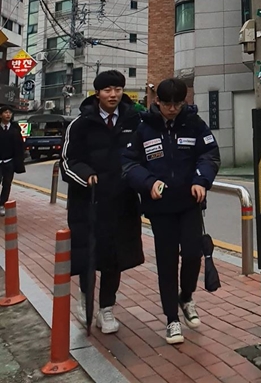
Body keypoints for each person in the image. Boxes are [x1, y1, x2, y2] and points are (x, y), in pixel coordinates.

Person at [122, 78, 220, 345]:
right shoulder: (144, 128)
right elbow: (129, 163)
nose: (173, 109)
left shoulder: (195, 124)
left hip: (189, 203)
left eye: (178, 104)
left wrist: (201, 180)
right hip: (160, 208)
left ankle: (186, 297)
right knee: (167, 261)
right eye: (168, 104)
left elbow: (209, 155)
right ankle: (171, 319)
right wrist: (149, 182)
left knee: (192, 253)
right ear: (158, 102)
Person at [61, 70, 144, 334]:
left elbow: (143, 157)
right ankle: (86, 299)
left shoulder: (135, 121)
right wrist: (86, 176)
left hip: (122, 203)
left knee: (115, 258)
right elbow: (67, 162)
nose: (113, 95)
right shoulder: (80, 124)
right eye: (107, 90)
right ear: (97, 93)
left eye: (118, 89)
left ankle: (106, 308)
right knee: (88, 255)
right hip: (88, 203)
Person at [0, 104, 26, 216]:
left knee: (7, 184)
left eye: (9, 113)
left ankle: (2, 204)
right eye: (5, 112)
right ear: (0, 115)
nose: (8, 114)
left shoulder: (15, 129)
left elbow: (20, 146)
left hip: (9, 162)